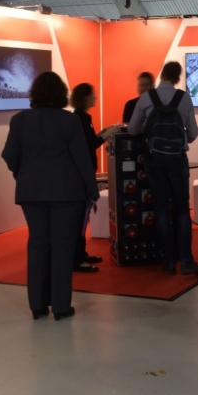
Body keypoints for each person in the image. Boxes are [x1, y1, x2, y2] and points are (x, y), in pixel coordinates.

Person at [2, 72, 98, 320]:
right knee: (63, 249)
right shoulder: (69, 121)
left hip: (31, 192)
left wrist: (23, 175)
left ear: (34, 94)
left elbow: (9, 155)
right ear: (61, 94)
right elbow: (82, 160)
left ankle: (37, 305)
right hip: (67, 193)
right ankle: (61, 306)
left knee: (38, 245)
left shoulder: (19, 120)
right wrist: (92, 189)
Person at [128, 62, 198, 277]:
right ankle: (187, 261)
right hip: (177, 161)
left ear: (162, 75)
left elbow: (133, 129)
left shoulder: (147, 98)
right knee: (182, 211)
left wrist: (148, 128)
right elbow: (192, 133)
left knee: (162, 210)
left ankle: (168, 262)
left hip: (154, 160)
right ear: (177, 77)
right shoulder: (183, 98)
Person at [70, 83, 120, 273]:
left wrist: (104, 133)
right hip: (82, 174)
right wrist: (106, 135)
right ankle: (77, 258)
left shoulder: (83, 118)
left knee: (83, 216)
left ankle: (81, 254)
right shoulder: (79, 119)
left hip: (85, 171)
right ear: (85, 98)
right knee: (80, 218)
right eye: (92, 95)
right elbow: (88, 145)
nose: (95, 98)